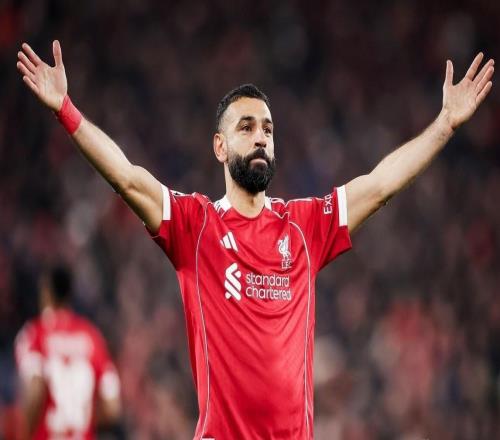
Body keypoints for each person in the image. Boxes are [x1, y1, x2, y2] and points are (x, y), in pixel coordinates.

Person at [16, 40, 493, 439]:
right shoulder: (195, 225)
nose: (261, 137)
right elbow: (126, 177)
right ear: (220, 147)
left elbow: (381, 184)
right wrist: (66, 110)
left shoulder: (304, 226)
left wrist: (444, 125)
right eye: (246, 127)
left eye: (267, 128)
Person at [14, 265, 121, 439]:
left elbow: (35, 390)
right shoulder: (92, 336)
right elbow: (112, 408)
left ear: (46, 292)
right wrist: (84, 418)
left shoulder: (34, 333)